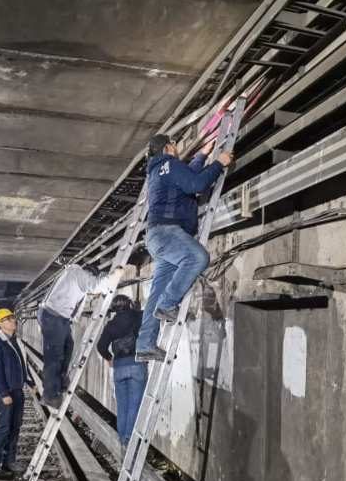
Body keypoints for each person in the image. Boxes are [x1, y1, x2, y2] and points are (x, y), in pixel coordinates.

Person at [136, 134, 232, 361]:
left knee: (156, 293)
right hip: (168, 233)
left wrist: (201, 155)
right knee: (198, 258)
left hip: (159, 237)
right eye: (174, 145)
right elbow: (195, 184)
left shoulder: (161, 169)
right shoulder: (170, 164)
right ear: (168, 148)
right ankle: (168, 304)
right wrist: (219, 163)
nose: (177, 149)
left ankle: (145, 344)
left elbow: (184, 177)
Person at [37, 262, 104, 409]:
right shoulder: (78, 273)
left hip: (59, 318)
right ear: (90, 273)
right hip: (53, 316)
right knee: (54, 357)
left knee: (68, 347)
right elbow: (95, 285)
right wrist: (110, 278)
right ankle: (50, 395)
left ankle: (60, 381)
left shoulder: (74, 277)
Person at [0, 308, 35, 479]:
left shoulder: (16, 341)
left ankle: (9, 461)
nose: (13, 321)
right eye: (8, 319)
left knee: (15, 427)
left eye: (12, 318)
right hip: (6, 393)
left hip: (17, 391)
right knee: (3, 427)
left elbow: (23, 364)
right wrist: (3, 393)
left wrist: (30, 382)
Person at [96, 295, 146, 446]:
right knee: (134, 406)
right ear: (129, 304)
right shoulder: (138, 316)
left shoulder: (111, 325)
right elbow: (146, 313)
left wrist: (109, 358)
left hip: (119, 368)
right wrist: (137, 309)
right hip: (137, 365)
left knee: (122, 406)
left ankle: (122, 440)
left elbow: (100, 346)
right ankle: (129, 439)